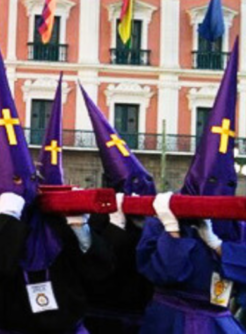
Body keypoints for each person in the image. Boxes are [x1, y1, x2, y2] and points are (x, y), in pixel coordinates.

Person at [0, 0, 114, 334]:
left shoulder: (53, 217)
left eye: (24, 177)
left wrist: (83, 233)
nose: (19, 184)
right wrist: (7, 217)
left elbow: (99, 270)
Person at [136, 41, 246, 334]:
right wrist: (173, 232)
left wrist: (218, 245)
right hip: (169, 319)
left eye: (226, 185)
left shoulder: (244, 230)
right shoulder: (161, 221)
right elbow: (162, 273)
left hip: (219, 320)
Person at [78, 83, 156, 334]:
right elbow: (96, 264)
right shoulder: (96, 220)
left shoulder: (156, 225)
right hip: (98, 313)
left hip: (139, 314)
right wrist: (115, 225)